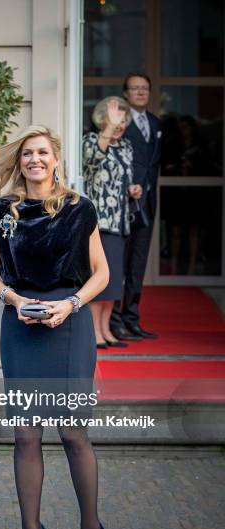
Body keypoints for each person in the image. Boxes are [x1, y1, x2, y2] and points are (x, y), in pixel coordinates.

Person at [0, 125, 109, 529]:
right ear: (20, 162)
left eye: (42, 153)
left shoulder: (79, 208)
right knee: (26, 435)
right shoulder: (2, 210)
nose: (35, 159)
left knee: (73, 433)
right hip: (21, 326)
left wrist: (71, 303)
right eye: (27, 154)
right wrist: (14, 300)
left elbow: (101, 274)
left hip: (69, 326)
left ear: (56, 160)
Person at [82, 97, 142, 349]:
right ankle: (94, 332)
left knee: (115, 282)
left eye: (123, 120)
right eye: (115, 119)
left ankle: (105, 329)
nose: (119, 124)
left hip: (120, 222)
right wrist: (108, 129)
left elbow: (120, 177)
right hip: (101, 221)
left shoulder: (126, 146)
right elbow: (94, 160)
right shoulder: (91, 141)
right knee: (101, 279)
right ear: (101, 119)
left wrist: (132, 189)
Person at [111, 72, 162, 341]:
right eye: (135, 88)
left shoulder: (155, 122)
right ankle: (115, 320)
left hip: (147, 203)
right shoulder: (119, 121)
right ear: (126, 93)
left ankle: (132, 318)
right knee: (120, 263)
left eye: (145, 88)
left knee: (138, 265)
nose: (141, 92)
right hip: (123, 203)